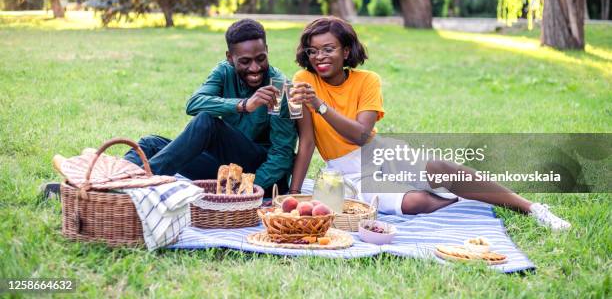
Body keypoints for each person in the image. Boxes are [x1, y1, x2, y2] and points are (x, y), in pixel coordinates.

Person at [288, 16, 571, 230]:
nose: (319, 57)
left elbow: (362, 134)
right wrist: (292, 195)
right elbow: (308, 142)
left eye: (328, 49)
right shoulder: (304, 81)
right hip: (346, 171)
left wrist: (320, 106)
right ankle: (462, 200)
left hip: (376, 150)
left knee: (441, 168)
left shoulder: (367, 81)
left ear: (346, 51)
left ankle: (531, 208)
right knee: (415, 203)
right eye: (313, 52)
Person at [124, 19, 297, 195]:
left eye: (261, 58)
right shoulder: (224, 71)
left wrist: (247, 188)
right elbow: (194, 104)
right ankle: (112, 183)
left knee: (207, 121)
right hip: (227, 169)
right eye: (245, 61)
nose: (255, 67)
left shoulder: (282, 88)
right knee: (150, 144)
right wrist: (243, 105)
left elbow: (282, 156)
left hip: (262, 177)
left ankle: (142, 184)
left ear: (267, 50)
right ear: (230, 58)